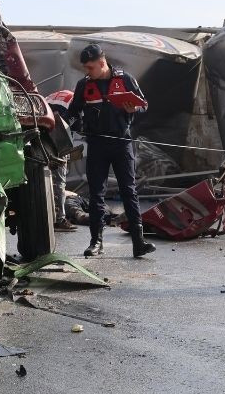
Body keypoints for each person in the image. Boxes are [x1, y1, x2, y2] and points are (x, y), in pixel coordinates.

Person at [66, 43, 155, 258]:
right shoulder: (83, 85)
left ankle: (138, 241)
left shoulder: (125, 80)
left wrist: (134, 108)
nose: (87, 72)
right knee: (96, 194)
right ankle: (96, 242)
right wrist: (81, 127)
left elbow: (144, 105)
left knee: (129, 191)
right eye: (85, 68)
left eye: (90, 67)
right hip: (97, 145)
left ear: (102, 63)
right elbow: (72, 114)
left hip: (122, 144)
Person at [44, 89, 78, 233]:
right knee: (58, 181)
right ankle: (59, 219)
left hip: (40, 137)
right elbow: (74, 125)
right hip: (57, 139)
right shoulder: (76, 102)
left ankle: (44, 216)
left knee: (43, 179)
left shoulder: (56, 94)